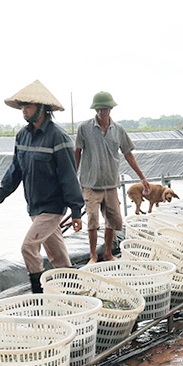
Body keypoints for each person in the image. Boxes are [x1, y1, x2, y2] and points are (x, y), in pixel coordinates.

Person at [0, 80, 84, 293]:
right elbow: (16, 170)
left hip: (52, 208)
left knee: (28, 248)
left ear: (41, 108)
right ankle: (74, 292)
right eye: (22, 106)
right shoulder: (22, 136)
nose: (24, 110)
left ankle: (39, 294)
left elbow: (68, 176)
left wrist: (76, 210)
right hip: (34, 206)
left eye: (28, 106)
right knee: (57, 255)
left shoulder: (57, 137)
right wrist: (0, 196)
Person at [76, 91, 151, 264]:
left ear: (111, 109)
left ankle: (108, 253)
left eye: (106, 108)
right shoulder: (85, 128)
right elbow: (78, 151)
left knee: (114, 220)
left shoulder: (118, 130)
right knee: (92, 219)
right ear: (95, 110)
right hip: (90, 183)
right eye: (99, 109)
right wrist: (73, 176)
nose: (103, 112)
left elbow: (128, 154)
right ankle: (93, 255)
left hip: (110, 184)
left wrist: (142, 177)